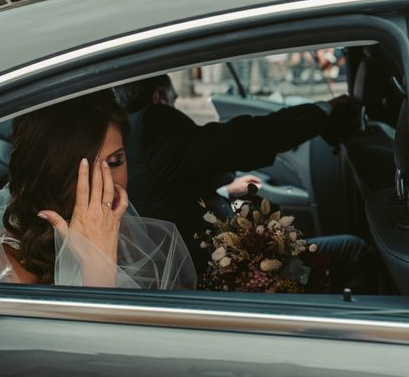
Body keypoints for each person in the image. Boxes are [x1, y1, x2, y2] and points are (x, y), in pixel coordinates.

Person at [114, 74, 378, 293]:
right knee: (354, 251)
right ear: (160, 96)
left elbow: (166, 192)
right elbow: (240, 140)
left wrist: (226, 190)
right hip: (217, 274)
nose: (174, 105)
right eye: (174, 99)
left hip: (213, 261)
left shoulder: (133, 137)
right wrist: (323, 111)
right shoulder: (155, 125)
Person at [0, 93, 197, 289]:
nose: (105, 183)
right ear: (52, 173)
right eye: (87, 170)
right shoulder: (8, 263)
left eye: (115, 162)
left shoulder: (121, 229)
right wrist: (96, 263)